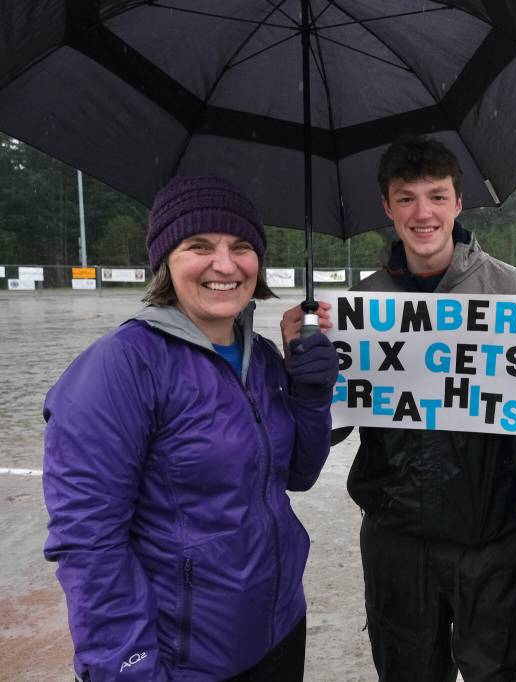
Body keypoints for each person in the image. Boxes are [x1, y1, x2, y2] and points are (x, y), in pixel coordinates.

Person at [300, 136, 516, 682]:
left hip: (492, 539)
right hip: (395, 541)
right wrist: (307, 366)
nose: (423, 212)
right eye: (406, 198)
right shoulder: (361, 304)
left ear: (459, 203)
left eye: (437, 196)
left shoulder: (514, 295)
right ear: (387, 207)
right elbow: (327, 431)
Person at [42, 176, 339, 680]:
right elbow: (89, 544)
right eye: (199, 245)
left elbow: (298, 474)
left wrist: (310, 395)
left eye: (241, 246)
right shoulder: (119, 369)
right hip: (184, 660)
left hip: (279, 629)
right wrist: (126, 666)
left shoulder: (263, 358)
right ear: (165, 259)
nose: (225, 264)